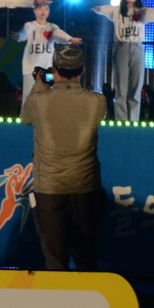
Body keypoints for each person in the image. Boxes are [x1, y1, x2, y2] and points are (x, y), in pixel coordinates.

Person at [21, 45, 106, 270]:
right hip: (86, 186)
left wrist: (40, 83)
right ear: (82, 70)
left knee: (55, 259)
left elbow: (26, 118)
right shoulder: (98, 101)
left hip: (50, 188)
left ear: (54, 69)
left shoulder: (39, 100)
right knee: (86, 257)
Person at [91, 0, 154, 122]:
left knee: (136, 86)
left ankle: (133, 121)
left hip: (137, 48)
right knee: (121, 87)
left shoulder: (142, 11)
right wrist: (99, 9)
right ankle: (121, 121)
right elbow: (107, 9)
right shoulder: (117, 11)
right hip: (121, 47)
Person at [17, 0, 82, 108]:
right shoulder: (30, 25)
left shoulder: (52, 27)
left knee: (48, 96)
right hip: (30, 69)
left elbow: (59, 33)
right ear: (34, 11)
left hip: (48, 69)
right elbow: (25, 32)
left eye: (46, 9)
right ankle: (27, 117)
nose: (43, 11)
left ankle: (47, 117)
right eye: (40, 8)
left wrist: (70, 39)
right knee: (29, 97)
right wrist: (19, 35)